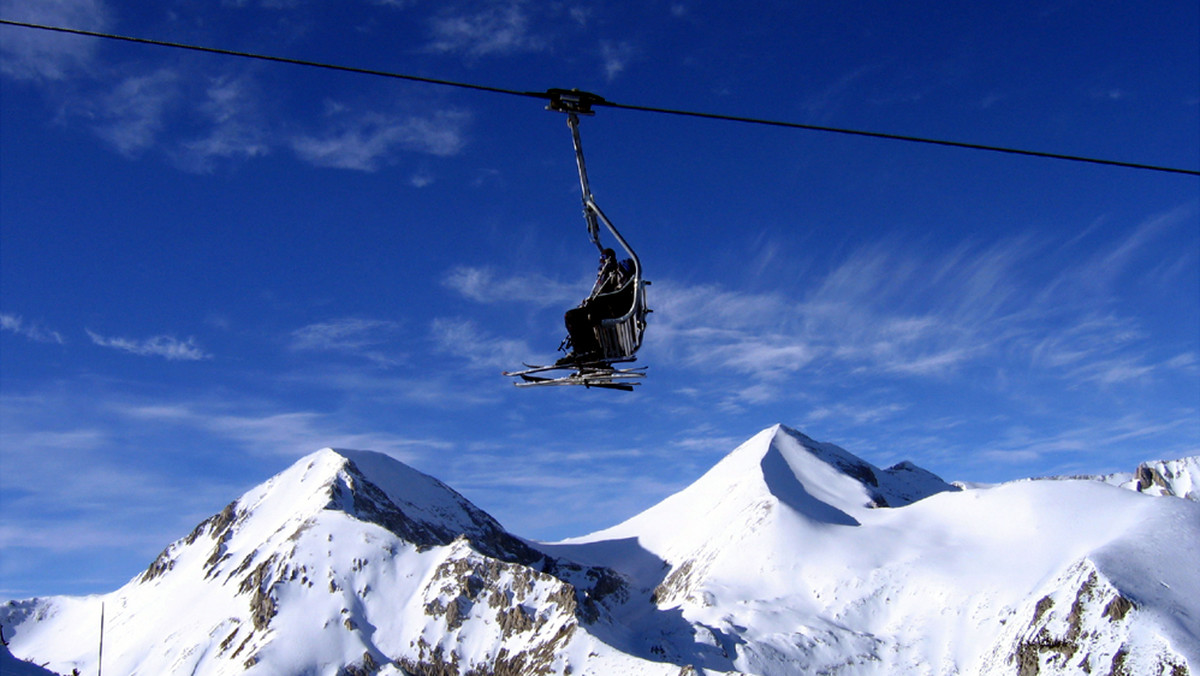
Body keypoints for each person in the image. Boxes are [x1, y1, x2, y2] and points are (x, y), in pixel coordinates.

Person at [559, 248, 633, 364]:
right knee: (571, 316)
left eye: (605, 260)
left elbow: (621, 291)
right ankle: (581, 350)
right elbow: (597, 293)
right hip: (600, 307)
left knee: (590, 314)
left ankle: (591, 351)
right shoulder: (602, 278)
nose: (603, 263)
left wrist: (599, 300)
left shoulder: (619, 272)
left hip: (613, 309)